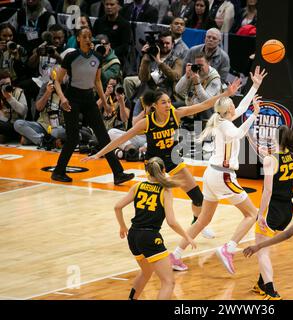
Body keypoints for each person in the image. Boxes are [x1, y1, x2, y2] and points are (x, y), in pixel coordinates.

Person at [82, 76, 243, 240]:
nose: (168, 105)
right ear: (155, 106)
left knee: (198, 198)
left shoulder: (176, 114)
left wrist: (226, 94)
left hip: (172, 158)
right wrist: (98, 153)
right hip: (154, 163)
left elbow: (203, 105)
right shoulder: (146, 122)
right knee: (159, 199)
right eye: (164, 102)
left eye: (169, 101)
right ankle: (146, 229)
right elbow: (121, 139)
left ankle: (197, 223)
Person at [169, 66, 267, 274]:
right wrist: (254, 115)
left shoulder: (223, 119)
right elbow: (240, 132)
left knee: (203, 220)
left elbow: (241, 108)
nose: (235, 107)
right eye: (233, 105)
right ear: (228, 110)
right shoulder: (226, 126)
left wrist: (255, 86)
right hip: (223, 176)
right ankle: (229, 249)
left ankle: (175, 255)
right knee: (252, 214)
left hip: (212, 175)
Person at [51, 27, 135, 185]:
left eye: (90, 37)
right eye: (84, 37)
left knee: (104, 136)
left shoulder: (97, 57)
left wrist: (105, 103)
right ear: (78, 39)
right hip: (72, 99)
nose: (88, 39)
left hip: (89, 98)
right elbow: (57, 80)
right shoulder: (71, 56)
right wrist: (62, 98)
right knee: (73, 138)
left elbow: (97, 81)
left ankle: (118, 174)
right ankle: (58, 171)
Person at [114, 157, 196, 300]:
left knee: (146, 272)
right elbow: (171, 222)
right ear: (164, 171)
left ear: (147, 172)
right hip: (150, 237)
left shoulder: (138, 186)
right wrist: (187, 236)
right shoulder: (165, 191)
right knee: (168, 282)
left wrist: (122, 226)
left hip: (133, 236)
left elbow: (117, 207)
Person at [249, 125, 293, 300]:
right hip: (288, 209)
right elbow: (270, 158)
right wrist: (249, 138)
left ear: (275, 138)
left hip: (273, 209)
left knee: (262, 251)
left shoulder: (270, 160)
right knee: (266, 246)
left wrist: (261, 214)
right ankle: (261, 284)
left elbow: (268, 190)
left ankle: (272, 292)